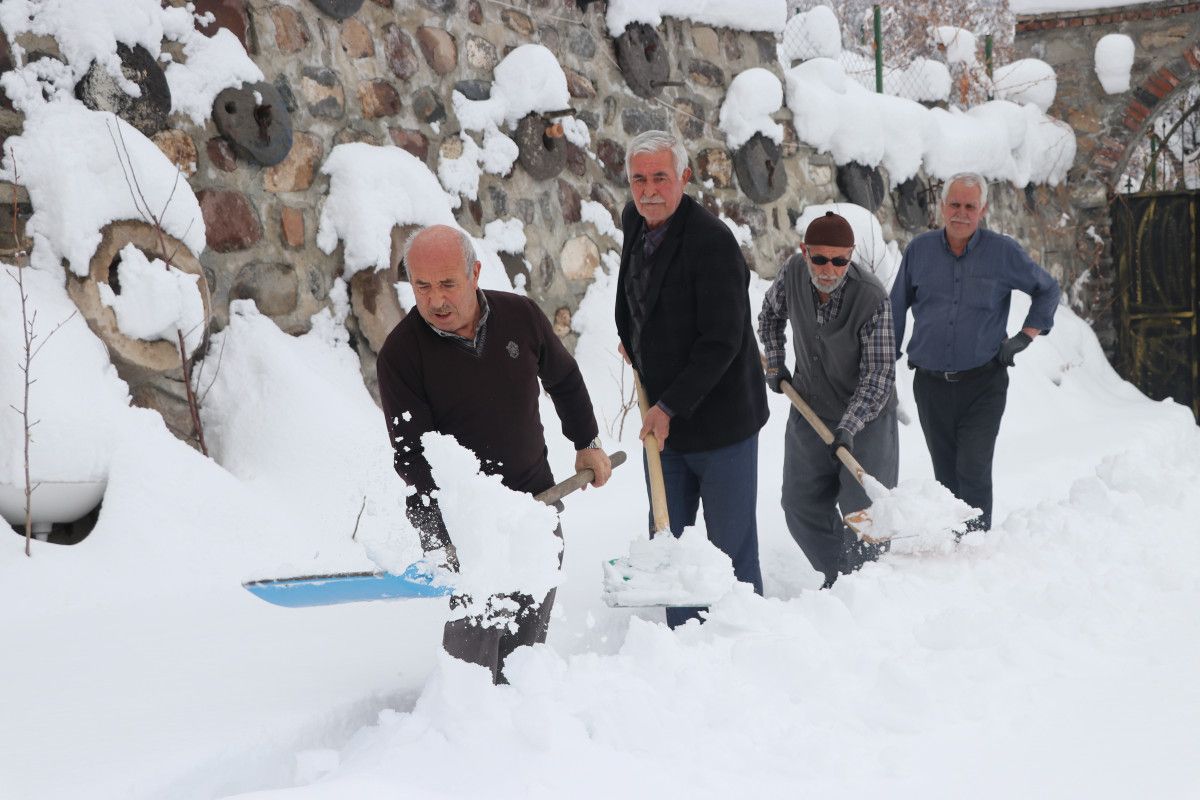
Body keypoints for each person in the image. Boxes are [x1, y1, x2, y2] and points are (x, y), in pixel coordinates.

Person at [376, 224, 612, 683]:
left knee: (525, 647)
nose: (436, 300)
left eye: (448, 283)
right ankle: (463, 724)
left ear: (475, 273)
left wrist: (587, 443)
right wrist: (442, 537)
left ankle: (515, 725)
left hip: (535, 509)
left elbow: (563, 379)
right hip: (464, 522)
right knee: (472, 648)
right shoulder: (401, 355)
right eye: (422, 286)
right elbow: (412, 457)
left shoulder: (519, 317)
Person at [614, 129, 769, 628]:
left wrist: (668, 406)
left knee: (728, 548)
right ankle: (683, 646)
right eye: (638, 179)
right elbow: (641, 295)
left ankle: (743, 639)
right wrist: (634, 340)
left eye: (660, 177)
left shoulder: (712, 242)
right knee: (669, 543)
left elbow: (721, 340)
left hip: (721, 424)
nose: (648, 190)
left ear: (684, 177)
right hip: (666, 422)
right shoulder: (634, 222)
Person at [890, 172, 1060, 533]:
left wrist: (1025, 336)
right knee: (945, 476)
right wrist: (885, 359)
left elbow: (1047, 289)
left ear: (983, 209)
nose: (961, 213)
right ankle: (953, 548)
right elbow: (896, 305)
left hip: (984, 382)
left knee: (973, 469)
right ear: (942, 207)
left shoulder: (1002, 253)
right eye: (954, 204)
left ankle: (976, 550)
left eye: (970, 206)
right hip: (931, 385)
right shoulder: (919, 251)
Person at [758, 211, 898, 588]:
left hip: (865, 420)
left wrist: (848, 427)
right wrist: (776, 362)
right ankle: (843, 578)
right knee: (801, 506)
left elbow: (879, 376)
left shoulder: (872, 299)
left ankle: (866, 590)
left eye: (840, 260)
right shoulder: (792, 275)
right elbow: (770, 315)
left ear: (850, 257)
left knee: (864, 517)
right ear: (805, 252)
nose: (829, 269)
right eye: (819, 258)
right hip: (810, 408)